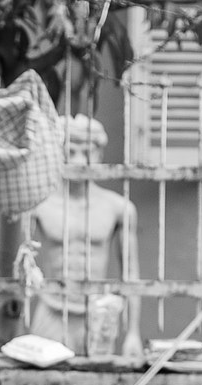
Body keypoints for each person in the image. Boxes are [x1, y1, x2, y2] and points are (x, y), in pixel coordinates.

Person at [23, 115, 143, 360]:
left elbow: (130, 276)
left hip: (98, 314)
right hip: (52, 310)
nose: (78, 160)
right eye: (71, 151)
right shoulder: (39, 205)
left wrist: (133, 332)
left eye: (86, 152)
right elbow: (8, 258)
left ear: (99, 156)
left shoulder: (118, 208)